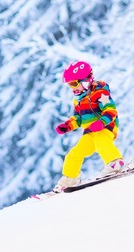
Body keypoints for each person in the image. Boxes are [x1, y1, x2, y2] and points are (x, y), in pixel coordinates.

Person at [53, 61, 127, 192]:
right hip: (90, 132)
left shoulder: (100, 93)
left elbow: (111, 110)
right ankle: (70, 178)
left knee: (101, 141)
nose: (72, 88)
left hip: (106, 127)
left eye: (74, 84)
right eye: (69, 85)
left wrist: (101, 123)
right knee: (74, 153)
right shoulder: (78, 100)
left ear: (86, 81)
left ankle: (116, 163)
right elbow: (78, 119)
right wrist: (67, 126)